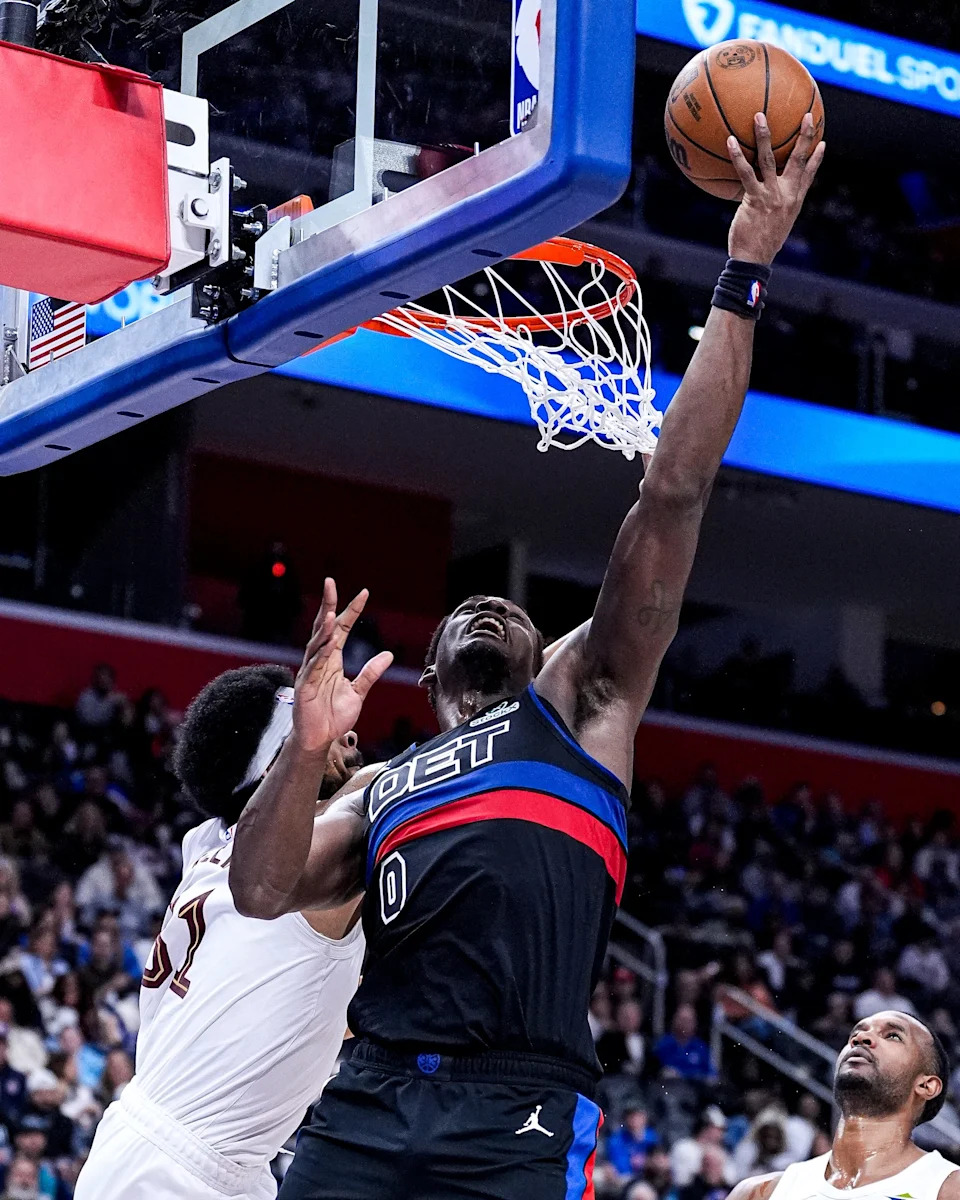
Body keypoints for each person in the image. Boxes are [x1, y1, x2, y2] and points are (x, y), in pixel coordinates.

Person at [229, 114, 826, 1200]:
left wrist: (743, 274)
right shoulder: (382, 786)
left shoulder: (580, 703)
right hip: (363, 1097)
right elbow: (262, 889)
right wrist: (300, 751)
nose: (489, 608)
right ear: (427, 676)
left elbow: (674, 492)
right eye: (468, 609)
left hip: (519, 1105)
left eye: (507, 607)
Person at [73, 661, 391, 1200]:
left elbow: (295, 1006)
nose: (351, 735)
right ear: (276, 771)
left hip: (173, 1155)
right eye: (317, 733)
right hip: (180, 1171)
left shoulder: (209, 847)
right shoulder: (298, 867)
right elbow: (396, 783)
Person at [725, 1011, 957, 1200]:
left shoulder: (948, 1188)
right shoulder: (759, 1193)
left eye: (892, 1036)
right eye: (856, 1033)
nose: (860, 1039)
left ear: (926, 1085)